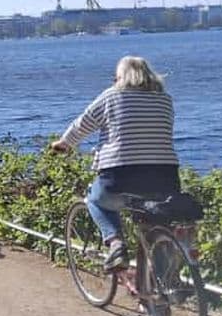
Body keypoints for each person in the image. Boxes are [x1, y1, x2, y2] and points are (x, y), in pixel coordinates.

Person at [51, 56, 180, 272]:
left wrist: (64, 144)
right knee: (155, 225)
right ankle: (158, 292)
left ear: (120, 78)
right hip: (166, 178)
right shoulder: (165, 99)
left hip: (121, 176)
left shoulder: (112, 96)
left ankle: (115, 242)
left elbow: (83, 124)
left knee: (95, 199)